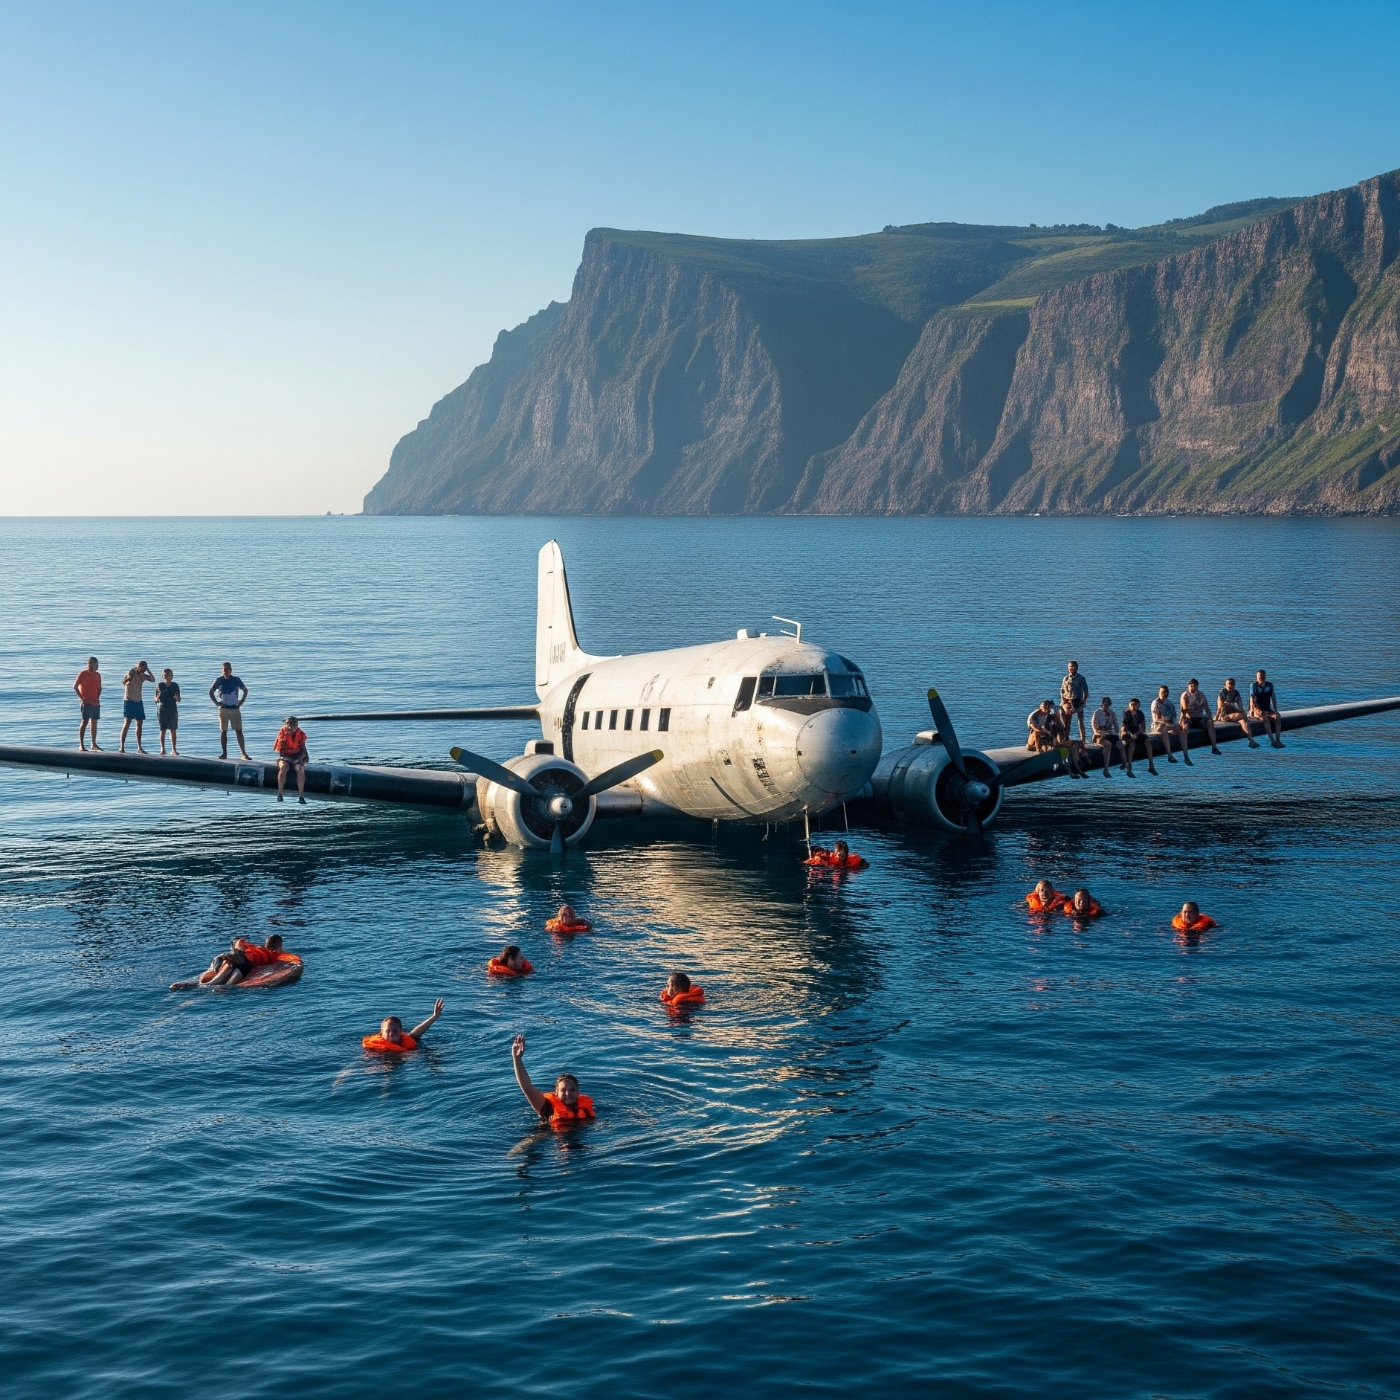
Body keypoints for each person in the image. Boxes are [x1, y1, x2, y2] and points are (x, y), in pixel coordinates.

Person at [512, 1032, 594, 1127]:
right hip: (549, 1135)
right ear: (556, 1092)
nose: (568, 1094)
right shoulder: (547, 1107)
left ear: (578, 1092)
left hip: (578, 1135)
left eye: (572, 1090)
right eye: (563, 1090)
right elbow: (527, 1088)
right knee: (529, 1141)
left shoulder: (584, 1107)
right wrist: (517, 1059)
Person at [170, 937, 256, 990]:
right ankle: (213, 985)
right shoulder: (249, 950)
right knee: (229, 980)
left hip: (236, 965)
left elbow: (213, 967)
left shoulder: (225, 956)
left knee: (222, 979)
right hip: (241, 967)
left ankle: (197, 985)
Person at [362, 999, 445, 1053]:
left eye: (395, 1030)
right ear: (382, 1032)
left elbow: (415, 1034)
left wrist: (434, 1017)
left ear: (401, 1031)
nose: (391, 1034)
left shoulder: (405, 1040)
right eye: (388, 1031)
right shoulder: (374, 1049)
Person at [209, 662, 250, 761]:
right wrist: (216, 702)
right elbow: (211, 691)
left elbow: (245, 690)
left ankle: (243, 753)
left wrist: (241, 701)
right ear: (221, 670)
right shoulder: (219, 680)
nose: (226, 671)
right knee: (224, 731)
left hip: (234, 709)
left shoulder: (236, 680)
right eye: (224, 669)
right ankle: (224, 753)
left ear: (231, 670)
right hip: (223, 709)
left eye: (227, 669)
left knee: (239, 731)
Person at [118, 660, 157, 754]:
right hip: (129, 700)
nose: (142, 669)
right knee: (127, 722)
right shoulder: (131, 672)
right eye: (141, 667)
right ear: (138, 666)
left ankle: (139, 748)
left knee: (139, 723)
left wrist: (148, 670)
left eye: (144, 668)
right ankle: (122, 747)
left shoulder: (143, 675)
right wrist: (129, 677)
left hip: (138, 701)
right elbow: (123, 682)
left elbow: (153, 679)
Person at [1179, 679, 1222, 756]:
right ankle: (1185, 752)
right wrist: (1181, 720)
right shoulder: (1185, 695)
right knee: (1185, 727)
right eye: (1191, 686)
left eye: (1194, 686)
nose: (1192, 688)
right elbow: (1184, 709)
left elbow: (1206, 708)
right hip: (1188, 718)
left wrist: (1210, 718)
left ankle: (1214, 747)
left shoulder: (1201, 695)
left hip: (1199, 718)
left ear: (1197, 686)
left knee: (1210, 724)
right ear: (1188, 686)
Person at [1151, 686, 1190, 766]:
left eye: (1166, 692)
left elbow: (1173, 718)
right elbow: (1156, 719)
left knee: (1181, 729)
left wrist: (1178, 724)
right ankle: (1170, 755)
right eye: (1162, 691)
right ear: (1159, 692)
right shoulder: (1156, 703)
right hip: (1158, 725)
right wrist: (1165, 720)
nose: (1164, 693)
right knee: (1163, 727)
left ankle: (1186, 756)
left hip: (1169, 724)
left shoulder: (1169, 703)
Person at [273, 716, 309, 803]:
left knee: (300, 769)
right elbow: (280, 749)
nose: (292, 730)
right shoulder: (282, 732)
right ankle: (280, 794)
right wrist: (284, 758)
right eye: (291, 727)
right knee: (284, 767)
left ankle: (301, 797)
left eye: (294, 727)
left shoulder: (300, 733)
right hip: (285, 756)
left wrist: (304, 760)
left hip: (296, 756)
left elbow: (303, 749)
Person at [1216, 677, 1259, 747]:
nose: (1230, 686)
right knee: (1243, 716)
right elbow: (1220, 707)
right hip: (1225, 715)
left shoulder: (1236, 693)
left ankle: (1251, 741)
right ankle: (1251, 740)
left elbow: (1240, 705)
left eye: (1232, 684)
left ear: (1234, 685)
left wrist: (1243, 711)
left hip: (1234, 713)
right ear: (1225, 685)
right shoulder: (1222, 692)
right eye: (1229, 684)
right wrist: (1216, 717)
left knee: (1244, 722)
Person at [1091, 696, 1127, 776]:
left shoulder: (1112, 713)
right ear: (1102, 704)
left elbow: (1116, 725)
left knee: (1121, 745)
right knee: (1108, 745)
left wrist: (1117, 732)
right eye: (1105, 704)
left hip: (1110, 734)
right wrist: (1097, 733)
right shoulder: (1097, 712)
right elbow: (1093, 725)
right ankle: (1106, 769)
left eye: (1108, 704)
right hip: (1101, 734)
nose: (1106, 706)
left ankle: (1126, 765)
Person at [74, 656, 102, 751]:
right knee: (84, 722)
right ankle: (81, 745)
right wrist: (82, 698)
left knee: (94, 722)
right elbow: (75, 687)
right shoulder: (83, 674)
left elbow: (99, 688)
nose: (92, 668)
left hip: (95, 702)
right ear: (88, 665)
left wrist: (97, 698)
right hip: (86, 702)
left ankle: (93, 744)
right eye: (91, 666)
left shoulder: (97, 675)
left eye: (94, 666)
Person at [1121, 698, 1156, 775]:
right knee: (1132, 744)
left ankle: (1151, 765)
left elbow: (1142, 728)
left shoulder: (1140, 714)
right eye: (1131, 705)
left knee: (1147, 742)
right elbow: (1124, 727)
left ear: (1138, 706)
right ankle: (1129, 766)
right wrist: (1130, 734)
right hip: (1129, 733)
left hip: (1138, 733)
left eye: (1135, 705)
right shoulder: (1127, 714)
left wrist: (1137, 734)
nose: (1133, 706)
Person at [1250, 669, 1284, 748]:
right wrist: (1254, 710)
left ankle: (1278, 740)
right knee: (1265, 719)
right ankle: (1272, 741)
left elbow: (1273, 697)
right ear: (1256, 677)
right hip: (1257, 710)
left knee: (1277, 717)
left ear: (1265, 676)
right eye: (1259, 676)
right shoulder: (1253, 686)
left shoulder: (1269, 685)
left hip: (1267, 709)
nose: (1260, 677)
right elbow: (1252, 699)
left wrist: (1275, 710)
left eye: (1262, 675)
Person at [154, 668, 182, 755]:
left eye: (169, 675)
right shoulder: (160, 685)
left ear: (172, 676)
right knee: (163, 729)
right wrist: (157, 698)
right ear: (163, 676)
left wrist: (177, 698)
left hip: (172, 708)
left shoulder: (175, 685)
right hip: (163, 709)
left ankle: (174, 749)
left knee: (173, 729)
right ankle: (162, 749)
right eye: (165, 675)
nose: (167, 677)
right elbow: (155, 699)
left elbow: (179, 699)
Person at [1060, 661, 1089, 742]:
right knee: (1065, 718)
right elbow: (1062, 690)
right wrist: (1062, 701)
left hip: (1077, 701)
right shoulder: (1065, 678)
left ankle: (1083, 739)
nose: (1071, 668)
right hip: (1067, 701)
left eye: (1073, 666)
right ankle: (1065, 737)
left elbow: (1086, 691)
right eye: (1069, 666)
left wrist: (1084, 700)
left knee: (1080, 721)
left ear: (1076, 667)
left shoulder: (1081, 678)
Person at [1055, 699, 1085, 778]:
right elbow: (1058, 733)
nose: (1070, 711)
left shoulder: (1068, 715)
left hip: (1064, 739)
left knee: (1074, 747)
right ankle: (1070, 772)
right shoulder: (1058, 715)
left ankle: (1078, 769)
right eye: (1068, 708)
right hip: (1057, 741)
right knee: (1065, 751)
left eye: (1071, 709)